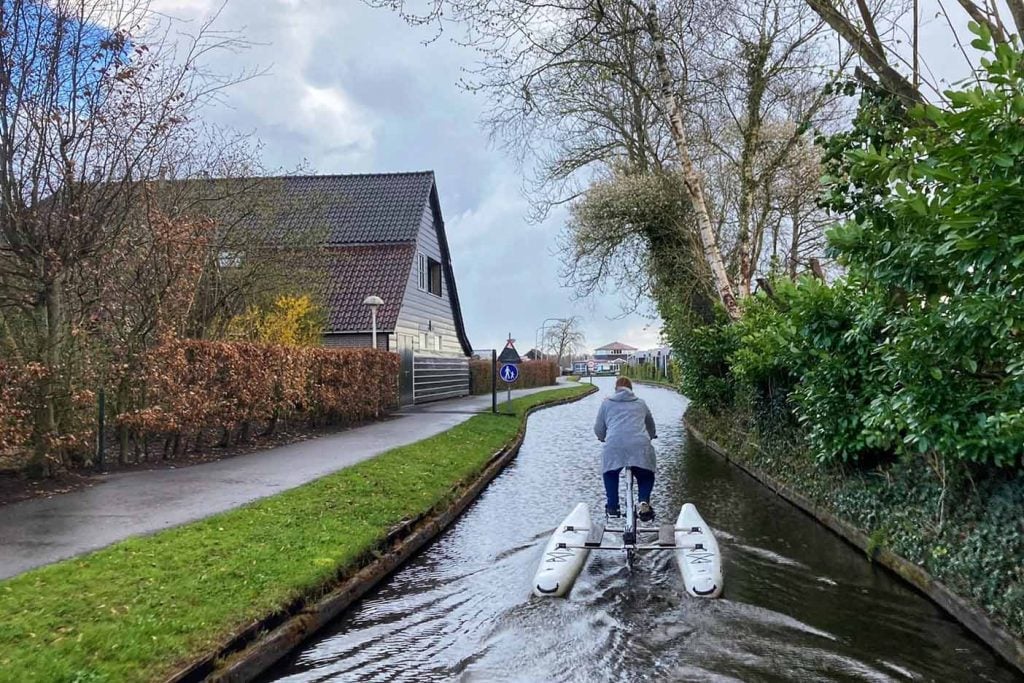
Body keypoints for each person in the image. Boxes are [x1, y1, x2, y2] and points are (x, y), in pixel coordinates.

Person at [594, 376, 657, 522]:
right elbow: (651, 427)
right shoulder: (641, 404)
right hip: (639, 446)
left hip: (614, 446)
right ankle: (643, 501)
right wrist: (652, 436)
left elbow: (598, 429)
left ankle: (613, 507)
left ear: (615, 389)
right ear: (631, 389)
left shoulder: (606, 404)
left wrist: (603, 437)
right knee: (646, 474)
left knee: (609, 472)